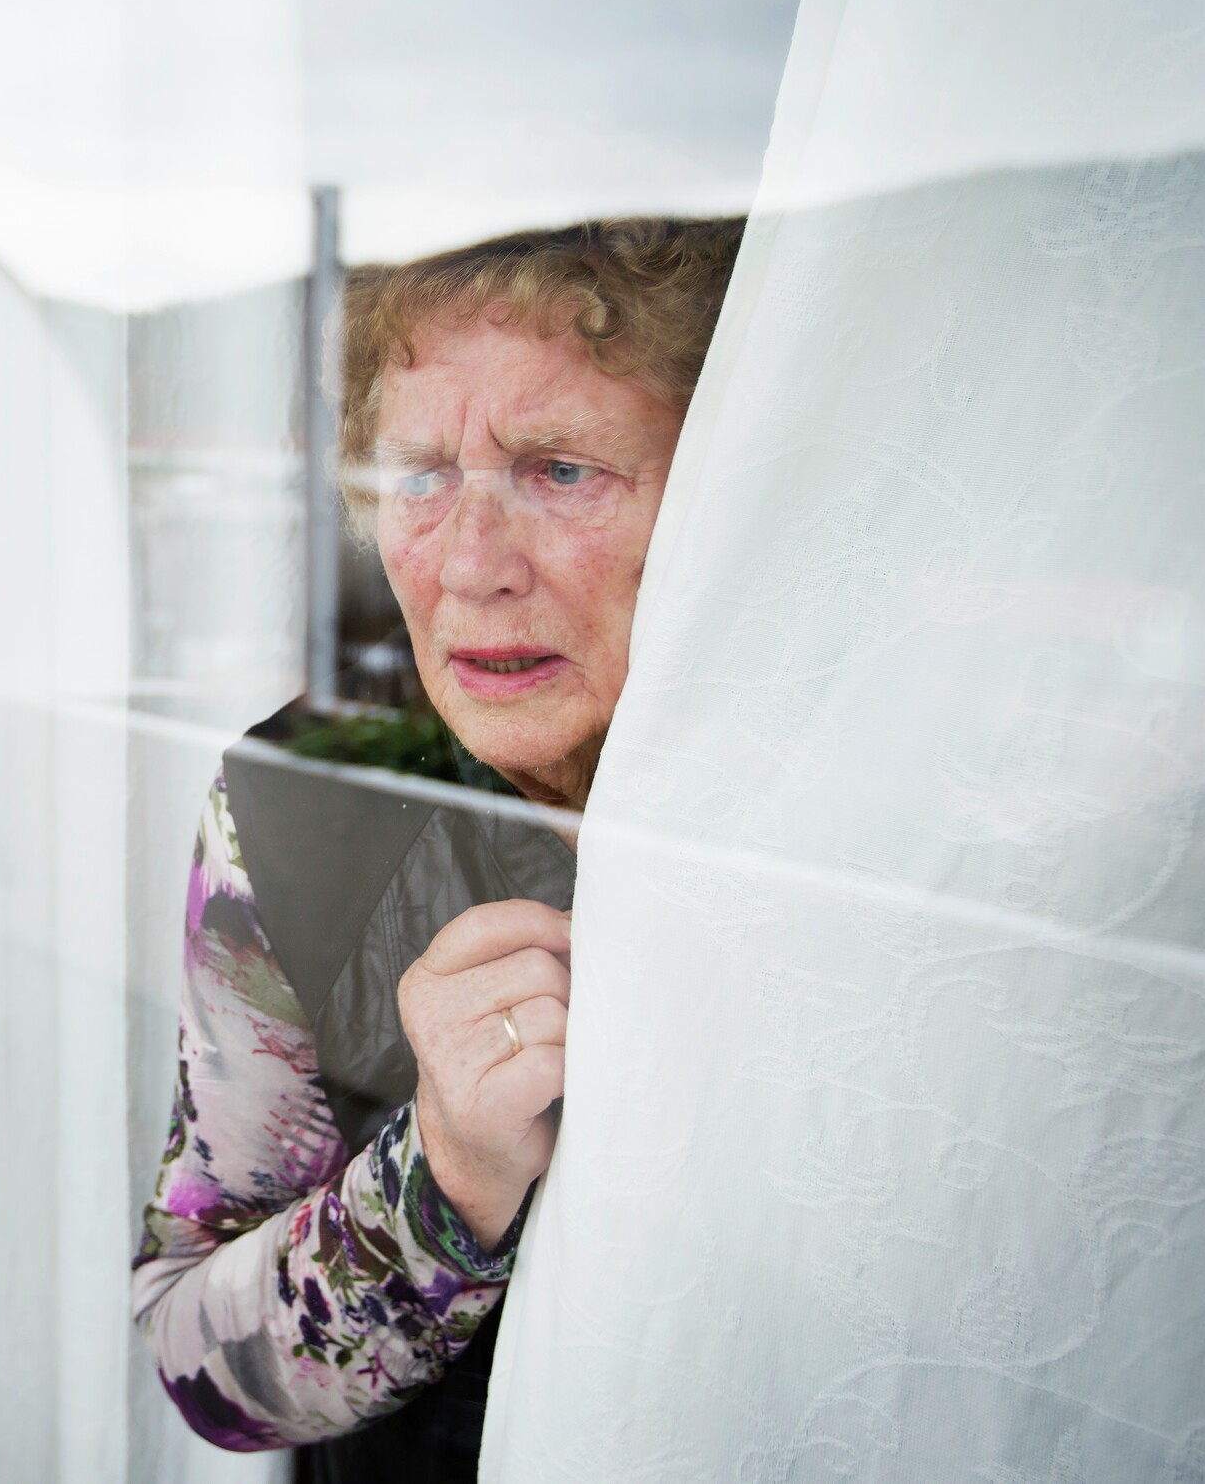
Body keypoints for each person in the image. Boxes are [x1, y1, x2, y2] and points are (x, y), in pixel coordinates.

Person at [132, 217, 744, 1479]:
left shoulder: (864, 821)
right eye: (416, 473)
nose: (469, 564)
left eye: (560, 468)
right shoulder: (299, 798)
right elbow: (195, 1352)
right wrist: (446, 1176)